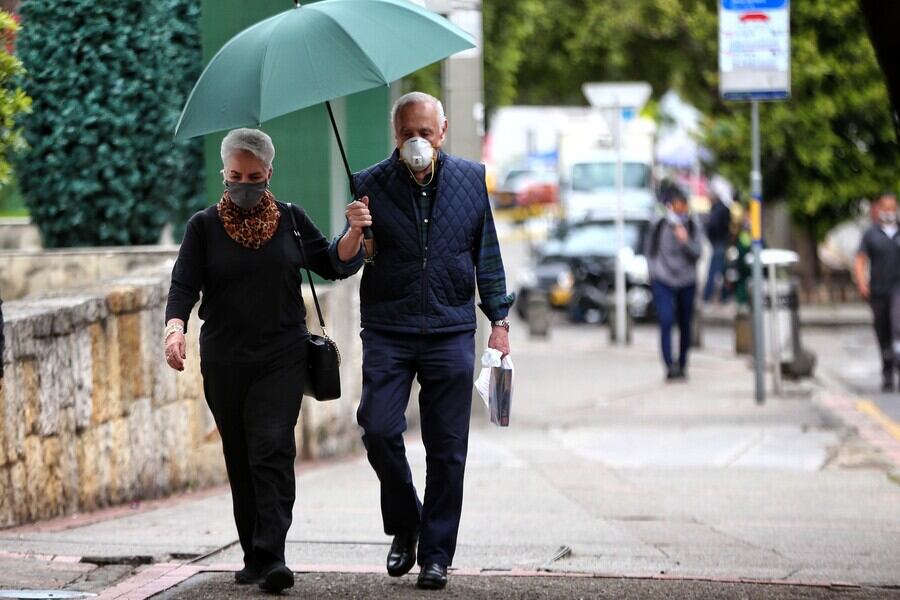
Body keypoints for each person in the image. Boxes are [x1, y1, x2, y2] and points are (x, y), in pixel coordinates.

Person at [163, 128, 371, 593]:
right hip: (224, 360)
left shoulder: (292, 221)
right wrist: (175, 328)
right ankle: (253, 553)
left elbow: (334, 263)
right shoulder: (203, 227)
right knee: (240, 457)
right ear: (224, 173)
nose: (244, 185)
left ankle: (273, 554)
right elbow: (183, 287)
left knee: (272, 448)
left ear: (269, 173)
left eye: (254, 177)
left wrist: (355, 231)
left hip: (281, 357)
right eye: (235, 176)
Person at [352, 91, 514, 590]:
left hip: (449, 330)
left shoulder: (470, 180)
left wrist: (500, 322)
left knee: (447, 449)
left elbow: (486, 253)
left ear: (441, 133)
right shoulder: (368, 184)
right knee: (378, 428)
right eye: (407, 134)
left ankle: (437, 554)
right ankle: (407, 522)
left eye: (425, 132)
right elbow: (345, 263)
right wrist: (359, 233)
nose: (416, 142)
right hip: (389, 328)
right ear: (395, 137)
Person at [646, 187, 703, 381]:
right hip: (663, 279)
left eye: (683, 205)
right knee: (666, 320)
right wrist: (653, 273)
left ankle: (683, 363)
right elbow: (650, 250)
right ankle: (669, 365)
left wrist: (685, 240)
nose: (679, 209)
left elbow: (698, 253)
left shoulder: (692, 225)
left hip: (687, 280)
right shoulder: (660, 224)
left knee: (685, 323)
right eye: (676, 205)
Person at [855, 193, 900, 392]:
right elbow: (861, 259)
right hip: (878, 290)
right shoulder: (871, 234)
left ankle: (898, 362)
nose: (889, 212)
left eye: (893, 208)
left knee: (897, 326)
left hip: (898, 289)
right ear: (879, 209)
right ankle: (887, 371)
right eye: (886, 208)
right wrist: (862, 282)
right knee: (883, 331)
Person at [702, 178, 733, 303]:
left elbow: (715, 226)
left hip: (719, 243)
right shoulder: (721, 208)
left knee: (715, 270)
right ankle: (723, 295)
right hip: (720, 242)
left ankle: (708, 295)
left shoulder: (719, 209)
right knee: (722, 270)